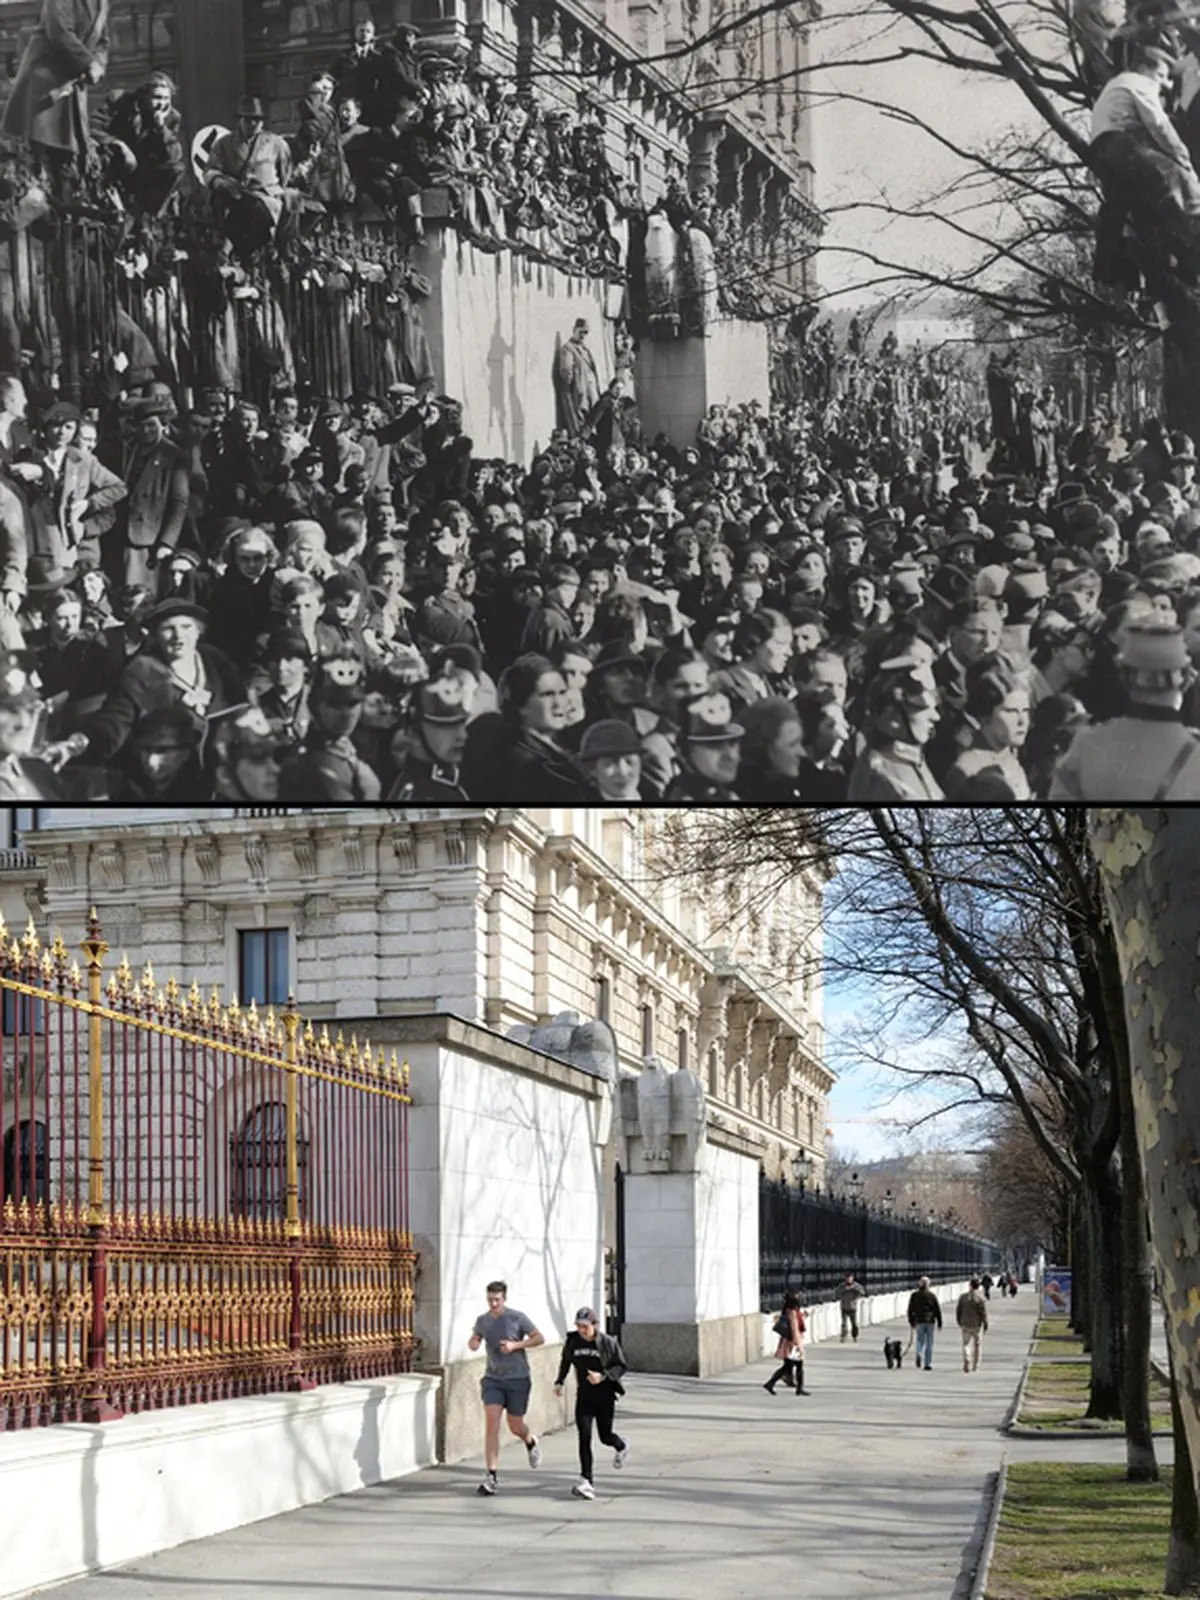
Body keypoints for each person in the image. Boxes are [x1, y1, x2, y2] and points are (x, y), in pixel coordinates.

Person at [468, 1279, 544, 1497]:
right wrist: (473, 1342)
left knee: (515, 1426)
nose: (493, 1304)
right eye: (490, 1300)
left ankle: (530, 1441)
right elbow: (476, 1336)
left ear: (504, 1299)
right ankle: (491, 1476)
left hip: (518, 1379)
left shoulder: (516, 1318)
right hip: (493, 1379)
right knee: (492, 1424)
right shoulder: (482, 1320)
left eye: (497, 1300)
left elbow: (539, 1338)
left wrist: (516, 1345)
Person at [553, 1305, 629, 1501]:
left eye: (585, 1326)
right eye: (579, 1326)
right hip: (584, 1397)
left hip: (605, 1397)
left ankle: (621, 1445)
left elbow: (621, 1366)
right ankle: (586, 1481)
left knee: (605, 1436)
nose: (582, 1330)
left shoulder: (607, 1342)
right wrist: (559, 1381)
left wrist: (603, 1376)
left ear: (595, 1325)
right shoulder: (573, 1342)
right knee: (584, 1437)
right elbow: (566, 1361)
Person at [763, 1290, 810, 1396]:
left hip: (789, 1340)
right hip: (793, 1341)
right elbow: (794, 1327)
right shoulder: (792, 1311)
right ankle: (798, 1388)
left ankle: (771, 1384)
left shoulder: (788, 1310)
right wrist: (797, 1343)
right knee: (796, 1365)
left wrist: (803, 1316)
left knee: (789, 1366)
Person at [906, 1275, 943, 1371]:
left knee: (920, 1340)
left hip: (919, 1321)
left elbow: (910, 1309)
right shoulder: (931, 1295)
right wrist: (940, 1322)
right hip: (930, 1321)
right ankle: (928, 1364)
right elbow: (937, 1309)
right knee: (929, 1343)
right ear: (928, 1285)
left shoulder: (914, 1295)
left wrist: (911, 1321)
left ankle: (919, 1352)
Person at [956, 1276, 989, 1373]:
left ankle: (967, 1358)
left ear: (970, 1285)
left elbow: (958, 1310)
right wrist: (985, 1323)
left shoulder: (963, 1297)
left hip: (965, 1323)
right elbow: (983, 1313)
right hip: (976, 1325)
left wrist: (959, 1321)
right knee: (977, 1345)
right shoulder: (980, 1298)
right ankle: (976, 1365)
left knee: (966, 1344)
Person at [839, 1272, 865, 1343]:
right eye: (847, 1278)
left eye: (850, 1278)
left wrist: (854, 1289)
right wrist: (845, 1289)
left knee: (854, 1323)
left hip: (852, 1307)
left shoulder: (856, 1285)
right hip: (844, 1307)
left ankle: (854, 1336)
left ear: (852, 1278)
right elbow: (837, 1292)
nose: (848, 1280)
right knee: (844, 1324)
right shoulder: (842, 1286)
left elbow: (862, 1292)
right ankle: (843, 1336)